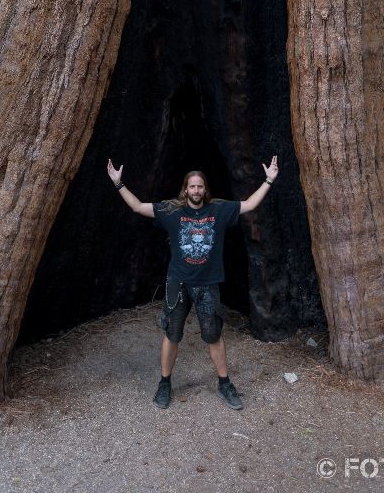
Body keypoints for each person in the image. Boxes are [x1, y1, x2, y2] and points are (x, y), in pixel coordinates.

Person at [106, 156, 279, 410]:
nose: (196, 190)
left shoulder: (218, 210)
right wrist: (119, 184)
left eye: (200, 186)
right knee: (172, 334)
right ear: (185, 189)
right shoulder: (172, 211)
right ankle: (164, 384)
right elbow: (138, 207)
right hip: (178, 284)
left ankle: (224, 383)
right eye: (192, 186)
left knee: (213, 335)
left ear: (204, 189)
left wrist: (269, 180)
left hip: (208, 285)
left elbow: (250, 204)